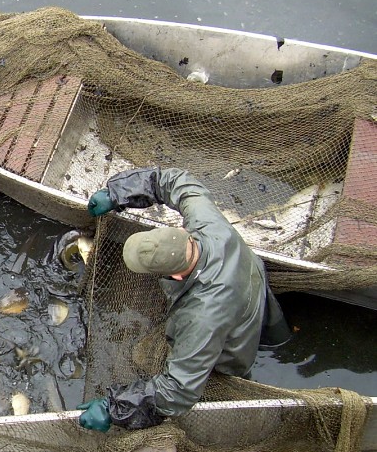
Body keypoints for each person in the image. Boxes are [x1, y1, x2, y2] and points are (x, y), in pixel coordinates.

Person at [77, 167, 291, 432]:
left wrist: (114, 408)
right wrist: (117, 192)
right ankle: (279, 339)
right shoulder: (206, 225)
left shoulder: (200, 316)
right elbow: (175, 180)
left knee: (231, 362)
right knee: (275, 337)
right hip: (251, 284)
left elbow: (177, 392)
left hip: (233, 337)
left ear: (175, 275)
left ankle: (242, 376)